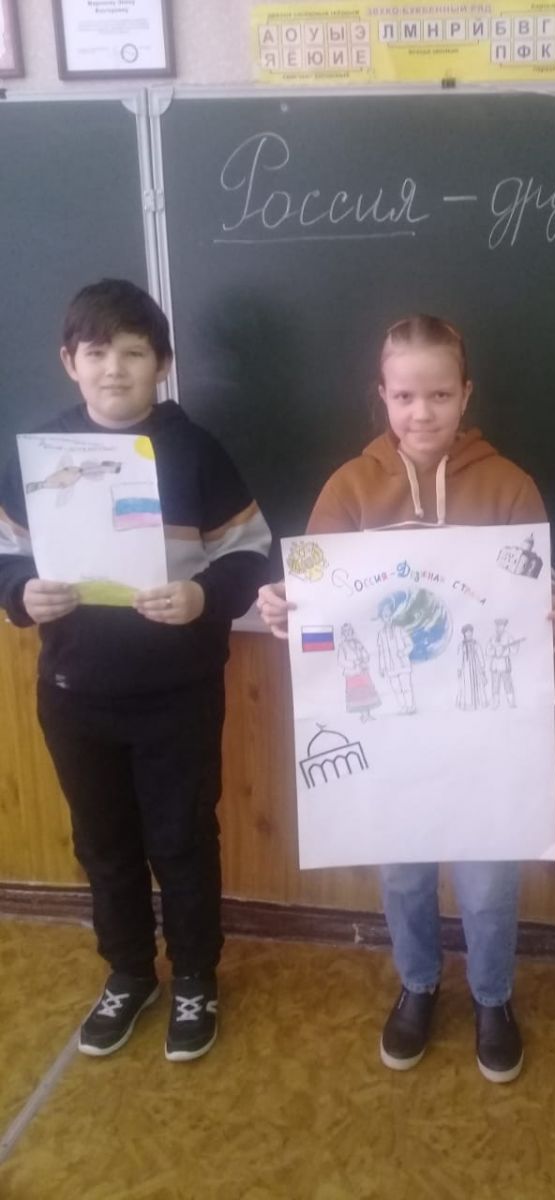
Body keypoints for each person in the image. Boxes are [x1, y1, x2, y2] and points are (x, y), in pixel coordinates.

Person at [258, 314, 555, 1083]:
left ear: (466, 394)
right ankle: (419, 984)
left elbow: (535, 591)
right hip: (389, 733)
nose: (422, 412)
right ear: (382, 395)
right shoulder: (350, 487)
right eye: (405, 396)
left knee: (487, 879)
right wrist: (284, 609)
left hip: (485, 733)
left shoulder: (509, 485)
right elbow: (318, 603)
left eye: (439, 394)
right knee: (403, 872)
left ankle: (493, 997)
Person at [0, 279, 271, 1061]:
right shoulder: (39, 457)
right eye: (96, 353)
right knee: (103, 843)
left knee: (182, 840)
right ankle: (128, 972)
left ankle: (194, 976)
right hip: (74, 693)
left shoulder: (196, 451)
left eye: (133, 352)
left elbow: (251, 552)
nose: (113, 368)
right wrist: (21, 592)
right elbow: (6, 556)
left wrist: (202, 595)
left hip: (177, 695)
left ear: (163, 364)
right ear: (69, 362)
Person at [337, 622, 381, 721]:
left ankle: (368, 714)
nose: (348, 633)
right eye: (346, 632)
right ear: (343, 634)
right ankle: (364, 715)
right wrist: (354, 663)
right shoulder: (342, 646)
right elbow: (341, 661)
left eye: (349, 631)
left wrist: (363, 659)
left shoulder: (358, 643)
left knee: (367, 693)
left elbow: (366, 654)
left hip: (363, 671)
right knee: (357, 694)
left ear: (352, 631)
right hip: (352, 674)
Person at [456, 623, 488, 711]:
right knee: (466, 684)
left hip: (475, 666)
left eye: (470, 632)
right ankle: (468, 704)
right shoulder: (461, 645)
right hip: (466, 667)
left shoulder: (476, 643)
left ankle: (480, 702)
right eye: (467, 632)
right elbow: (459, 658)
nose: (469, 634)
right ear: (464, 634)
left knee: (478, 683)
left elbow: (480, 655)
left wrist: (482, 666)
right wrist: (459, 669)